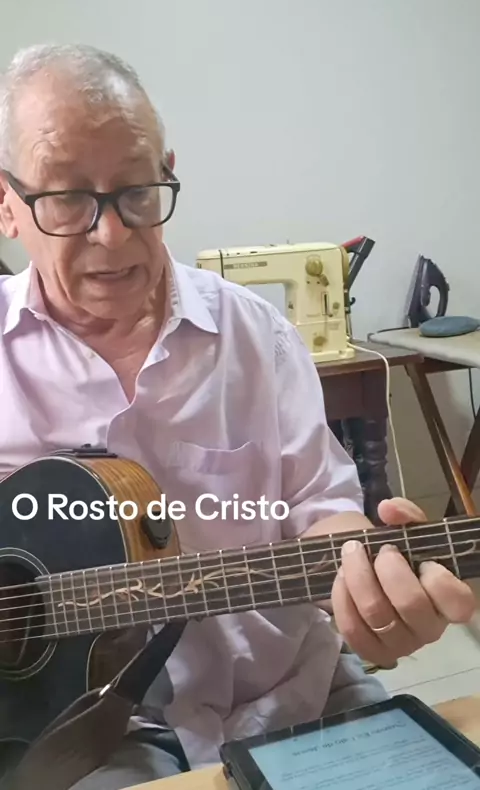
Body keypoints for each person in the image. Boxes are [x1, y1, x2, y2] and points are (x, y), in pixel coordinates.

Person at [0, 43, 475, 790]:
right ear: (7, 204)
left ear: (168, 172)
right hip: (81, 732)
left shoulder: (257, 334)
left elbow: (321, 509)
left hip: (288, 687)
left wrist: (372, 591)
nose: (112, 233)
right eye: (66, 198)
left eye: (136, 191)